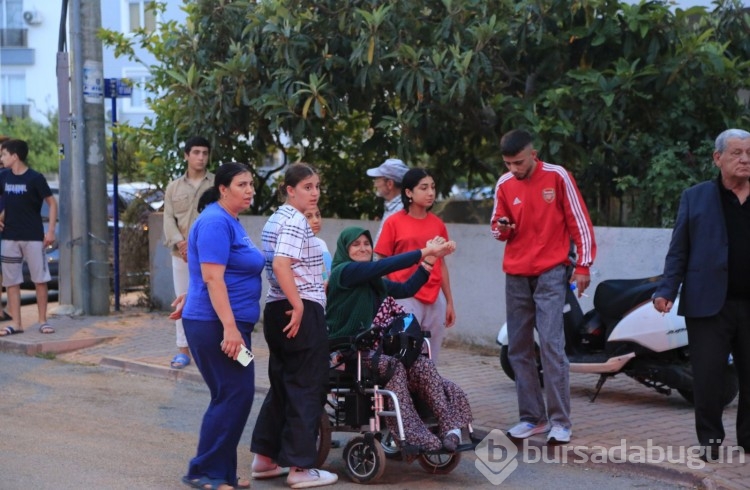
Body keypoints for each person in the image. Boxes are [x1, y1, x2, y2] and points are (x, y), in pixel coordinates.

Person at [491, 129, 596, 444]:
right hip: (516, 274)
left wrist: (583, 265)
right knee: (519, 348)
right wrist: (502, 228)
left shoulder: (557, 176)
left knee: (552, 345)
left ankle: (561, 422)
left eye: (518, 162)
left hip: (552, 271)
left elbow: (579, 221)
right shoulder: (504, 184)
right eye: (508, 163)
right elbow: (496, 226)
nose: (513, 169)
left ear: (533, 154)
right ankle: (531, 419)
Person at [326, 226, 472, 451]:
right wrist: (424, 251)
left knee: (422, 365)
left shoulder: (374, 282)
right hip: (349, 353)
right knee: (392, 366)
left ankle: (450, 427)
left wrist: (430, 260)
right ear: (345, 250)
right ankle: (412, 435)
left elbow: (407, 288)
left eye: (366, 243)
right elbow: (385, 265)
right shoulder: (343, 273)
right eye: (356, 245)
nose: (363, 248)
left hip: (377, 351)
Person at [653, 128, 750, 460]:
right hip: (708, 305)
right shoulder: (695, 197)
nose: (745, 159)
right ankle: (710, 441)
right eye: (737, 153)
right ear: (717, 157)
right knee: (708, 378)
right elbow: (678, 250)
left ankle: (748, 439)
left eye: (749, 153)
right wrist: (666, 289)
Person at [174, 162, 263, 490]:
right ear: (223, 189)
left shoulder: (230, 221)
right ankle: (204, 471)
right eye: (242, 184)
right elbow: (212, 277)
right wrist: (229, 328)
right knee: (233, 393)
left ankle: (221, 472)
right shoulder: (214, 221)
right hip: (216, 325)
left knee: (233, 394)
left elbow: (205, 272)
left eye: (251, 183)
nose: (249, 189)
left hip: (227, 322)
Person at [250, 163, 338, 489]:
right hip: (299, 308)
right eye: (307, 187)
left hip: (276, 308)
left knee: (284, 385)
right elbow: (281, 262)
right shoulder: (296, 220)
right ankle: (301, 469)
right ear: (290, 190)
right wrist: (299, 303)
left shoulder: (275, 218)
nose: (314, 193)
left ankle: (264, 458)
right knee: (306, 387)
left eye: (316, 186)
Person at [374, 168, 455, 362]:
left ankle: (428, 391)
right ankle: (402, 391)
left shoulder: (438, 224)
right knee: (404, 353)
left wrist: (449, 302)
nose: (430, 193)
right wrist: (385, 297)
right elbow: (381, 262)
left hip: (434, 297)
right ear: (409, 192)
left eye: (433, 188)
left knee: (431, 357)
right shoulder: (393, 222)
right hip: (404, 296)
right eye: (424, 188)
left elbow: (441, 264)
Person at [163, 136, 215, 369]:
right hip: (181, 254)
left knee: (214, 298)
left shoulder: (216, 185)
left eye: (205, 153)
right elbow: (168, 219)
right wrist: (181, 243)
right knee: (182, 300)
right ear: (186, 155)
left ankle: (214, 349)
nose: (200, 157)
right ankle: (183, 350)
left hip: (211, 255)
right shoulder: (173, 187)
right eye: (196, 152)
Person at [0, 139, 58, 337]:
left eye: (3, 155)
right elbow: (6, 203)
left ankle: (43, 321)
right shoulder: (4, 177)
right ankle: (16, 323)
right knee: (11, 282)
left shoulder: (35, 178)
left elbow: (52, 204)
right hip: (9, 237)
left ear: (15, 156)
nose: (1, 159)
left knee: (39, 280)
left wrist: (50, 231)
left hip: (33, 237)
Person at [366, 158, 409, 249]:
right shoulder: (394, 207)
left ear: (389, 184)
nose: (375, 184)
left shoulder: (401, 210)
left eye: (377, 179)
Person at [303, 205, 332, 283]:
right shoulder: (295, 246)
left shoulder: (321, 243)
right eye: (308, 216)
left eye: (318, 215)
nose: (316, 220)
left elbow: (328, 275)